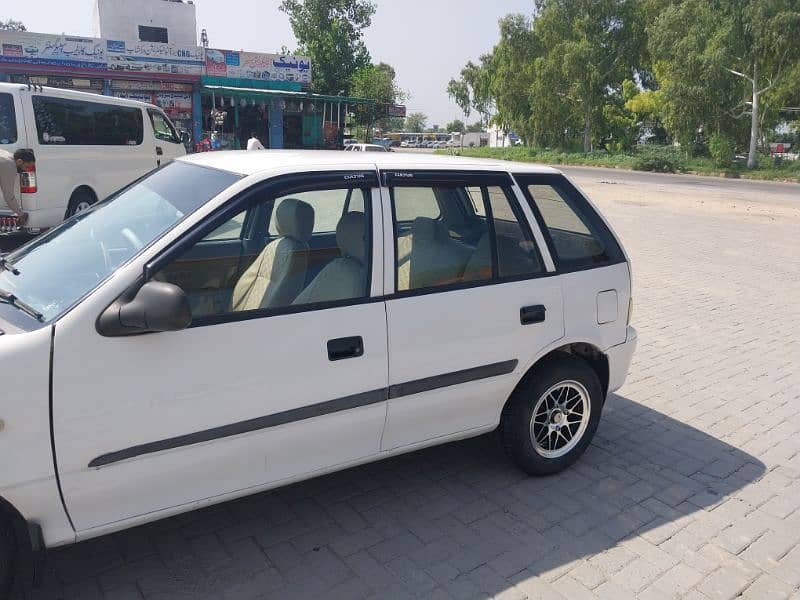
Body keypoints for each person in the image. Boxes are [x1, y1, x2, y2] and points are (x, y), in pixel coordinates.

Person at [0, 148, 35, 226]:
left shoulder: (6, 154)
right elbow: (8, 196)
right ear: (19, 161)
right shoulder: (9, 166)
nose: (25, 170)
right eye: (26, 167)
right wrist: (21, 214)